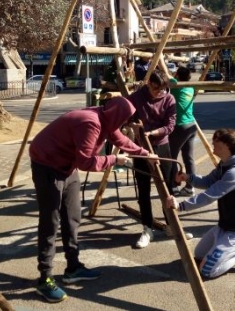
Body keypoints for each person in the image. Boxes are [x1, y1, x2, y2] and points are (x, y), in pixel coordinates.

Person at [29, 96, 156, 303]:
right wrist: (115, 159)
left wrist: (144, 154)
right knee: (50, 223)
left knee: (72, 217)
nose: (124, 125)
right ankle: (45, 279)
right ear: (117, 115)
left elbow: (120, 140)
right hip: (47, 166)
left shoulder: (106, 119)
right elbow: (86, 162)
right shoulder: (91, 122)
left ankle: (73, 268)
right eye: (124, 120)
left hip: (66, 166)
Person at [166, 128, 235, 279]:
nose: (213, 145)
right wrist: (188, 177)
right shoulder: (225, 164)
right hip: (224, 226)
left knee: (207, 270)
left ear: (228, 147)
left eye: (217, 143)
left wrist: (181, 205)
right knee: (198, 255)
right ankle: (228, 249)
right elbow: (208, 181)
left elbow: (209, 196)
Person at [128, 68, 191, 248]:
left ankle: (172, 226)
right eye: (156, 89)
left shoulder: (169, 98)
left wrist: (152, 132)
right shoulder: (136, 98)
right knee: (143, 190)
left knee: (167, 188)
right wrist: (134, 126)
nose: (160, 93)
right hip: (141, 149)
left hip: (162, 146)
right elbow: (126, 119)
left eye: (163, 89)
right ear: (149, 83)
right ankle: (147, 228)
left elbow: (170, 125)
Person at [168, 65, 197, 196]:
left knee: (172, 157)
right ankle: (190, 187)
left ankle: (174, 185)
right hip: (191, 125)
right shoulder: (191, 87)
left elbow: (168, 78)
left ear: (178, 76)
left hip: (180, 126)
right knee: (188, 158)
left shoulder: (175, 85)